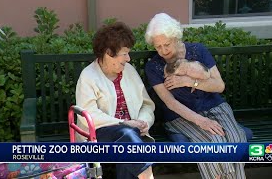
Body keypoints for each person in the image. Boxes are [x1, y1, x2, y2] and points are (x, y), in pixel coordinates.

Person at [145, 13, 249, 179]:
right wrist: (201, 121)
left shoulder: (198, 51)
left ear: (176, 37)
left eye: (167, 44)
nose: (163, 51)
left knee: (237, 138)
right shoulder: (154, 67)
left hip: (215, 107)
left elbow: (219, 86)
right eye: (158, 47)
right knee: (216, 142)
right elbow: (170, 103)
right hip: (181, 116)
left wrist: (189, 81)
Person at [76, 22, 155, 179]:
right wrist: (123, 123)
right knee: (127, 136)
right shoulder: (88, 76)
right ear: (108, 53)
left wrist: (144, 121)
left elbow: (146, 104)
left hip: (131, 132)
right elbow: (88, 114)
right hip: (98, 134)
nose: (128, 58)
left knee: (128, 140)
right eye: (124, 53)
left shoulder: (130, 72)